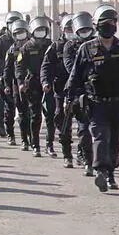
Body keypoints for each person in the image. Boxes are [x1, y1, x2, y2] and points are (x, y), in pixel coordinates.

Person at [66, 5, 119, 192]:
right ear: (97, 25)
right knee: (100, 136)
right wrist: (70, 98)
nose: (109, 26)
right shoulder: (87, 49)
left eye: (112, 22)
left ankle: (111, 172)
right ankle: (102, 171)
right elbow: (75, 76)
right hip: (96, 103)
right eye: (105, 23)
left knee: (115, 140)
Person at [15, 16, 55, 158]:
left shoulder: (51, 45)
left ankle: (49, 145)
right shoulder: (26, 47)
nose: (41, 33)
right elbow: (19, 67)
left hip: (49, 84)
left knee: (51, 115)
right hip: (32, 83)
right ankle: (35, 145)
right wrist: (20, 83)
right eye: (38, 30)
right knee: (35, 115)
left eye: (43, 30)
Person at [63, 11, 96, 176]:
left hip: (99, 94)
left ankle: (104, 162)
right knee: (83, 130)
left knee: (105, 131)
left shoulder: (99, 44)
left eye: (87, 28)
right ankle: (88, 162)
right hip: (79, 94)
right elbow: (71, 69)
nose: (85, 32)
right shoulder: (70, 47)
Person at [40, 14, 74, 168]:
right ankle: (65, 152)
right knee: (60, 118)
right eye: (68, 28)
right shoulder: (55, 46)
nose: (71, 31)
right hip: (60, 89)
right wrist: (45, 81)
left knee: (84, 126)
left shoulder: (86, 45)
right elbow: (46, 66)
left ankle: (83, 153)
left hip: (81, 90)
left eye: (73, 28)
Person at [2, 19, 30, 147]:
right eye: (18, 33)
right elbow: (7, 69)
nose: (21, 35)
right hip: (16, 85)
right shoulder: (12, 50)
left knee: (30, 113)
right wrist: (7, 85)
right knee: (12, 111)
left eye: (22, 32)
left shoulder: (32, 46)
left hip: (31, 83)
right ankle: (12, 135)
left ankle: (29, 138)